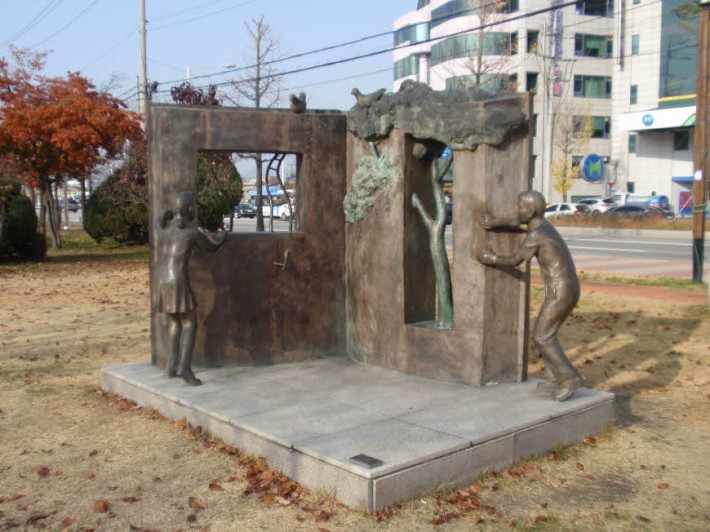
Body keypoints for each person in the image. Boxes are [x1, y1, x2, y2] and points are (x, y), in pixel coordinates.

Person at [478, 190, 584, 401]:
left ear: (531, 210)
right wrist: (497, 222)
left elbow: (515, 259)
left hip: (560, 290)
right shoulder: (542, 226)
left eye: (521, 207)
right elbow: (519, 222)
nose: (518, 210)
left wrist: (492, 258)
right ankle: (555, 378)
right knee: (548, 334)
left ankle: (569, 377)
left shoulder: (537, 235)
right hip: (567, 287)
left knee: (542, 336)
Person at [155, 191, 226, 385]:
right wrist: (221, 235)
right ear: (190, 209)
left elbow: (159, 220)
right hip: (176, 279)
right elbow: (211, 245)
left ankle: (170, 366)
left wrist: (166, 215)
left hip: (161, 280)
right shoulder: (192, 233)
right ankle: (184, 367)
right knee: (189, 323)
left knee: (174, 322)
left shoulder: (163, 229)